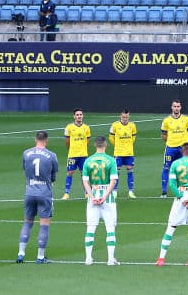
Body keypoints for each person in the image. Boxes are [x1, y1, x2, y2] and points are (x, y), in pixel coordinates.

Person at [156, 142, 188, 267]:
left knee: (171, 227)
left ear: (182, 152)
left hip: (180, 197)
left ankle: (161, 259)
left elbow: (172, 184)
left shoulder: (175, 164)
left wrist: (181, 198)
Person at [20, 130, 59, 263]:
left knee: (27, 222)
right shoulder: (52, 155)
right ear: (46, 140)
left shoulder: (26, 153)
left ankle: (21, 253)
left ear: (35, 139)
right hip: (45, 193)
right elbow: (53, 177)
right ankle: (40, 257)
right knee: (44, 225)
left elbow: (25, 170)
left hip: (29, 192)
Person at [82, 136, 119, 266]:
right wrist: (105, 196)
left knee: (90, 228)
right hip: (107, 198)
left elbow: (85, 181)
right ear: (106, 145)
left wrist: (91, 196)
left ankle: (88, 258)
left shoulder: (88, 161)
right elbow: (113, 180)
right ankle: (110, 259)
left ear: (94, 145)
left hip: (93, 195)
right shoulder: (111, 160)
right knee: (110, 228)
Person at [160, 100, 188, 197]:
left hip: (183, 149)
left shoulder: (186, 119)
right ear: (172, 107)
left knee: (183, 169)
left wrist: (184, 143)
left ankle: (182, 191)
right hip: (170, 148)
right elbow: (163, 135)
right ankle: (164, 192)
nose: (176, 108)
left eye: (178, 106)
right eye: (175, 106)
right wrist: (171, 142)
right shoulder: (166, 120)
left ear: (180, 107)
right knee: (166, 168)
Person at [62, 109, 91, 200]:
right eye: (77, 115)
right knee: (70, 172)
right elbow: (67, 141)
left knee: (84, 174)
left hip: (83, 155)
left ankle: (87, 193)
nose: (79, 116)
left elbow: (88, 141)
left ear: (83, 116)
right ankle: (66, 193)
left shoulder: (86, 128)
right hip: (73, 154)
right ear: (74, 116)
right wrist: (71, 149)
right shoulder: (69, 127)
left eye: (80, 114)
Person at [109, 109, 138, 198]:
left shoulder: (132, 125)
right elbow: (111, 138)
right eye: (123, 117)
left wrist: (128, 145)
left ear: (129, 116)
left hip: (129, 152)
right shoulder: (115, 125)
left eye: (126, 117)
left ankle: (130, 191)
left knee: (130, 170)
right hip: (118, 152)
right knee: (116, 171)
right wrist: (117, 145)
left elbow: (133, 138)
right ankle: (114, 191)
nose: (125, 118)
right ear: (120, 116)